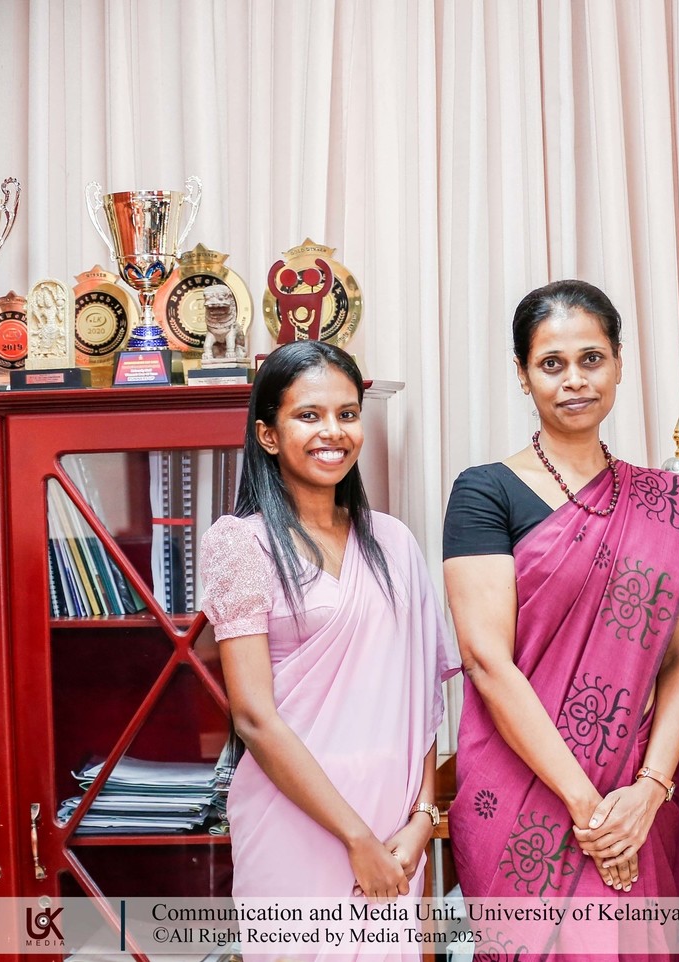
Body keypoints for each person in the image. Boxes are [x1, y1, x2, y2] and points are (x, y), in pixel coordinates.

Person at [442, 280, 679, 958]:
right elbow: (486, 662)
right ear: (523, 374)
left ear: (619, 363)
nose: (574, 380)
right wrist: (589, 811)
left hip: (632, 795)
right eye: (551, 364)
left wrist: (648, 791)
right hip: (522, 790)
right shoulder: (484, 492)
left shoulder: (664, 506)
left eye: (591, 359)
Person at [198, 340, 458, 953]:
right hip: (295, 823)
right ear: (268, 435)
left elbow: (422, 700)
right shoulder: (240, 544)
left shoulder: (393, 542)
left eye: (347, 414)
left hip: (394, 832)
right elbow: (254, 718)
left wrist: (422, 819)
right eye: (308, 415)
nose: (333, 432)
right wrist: (356, 839)